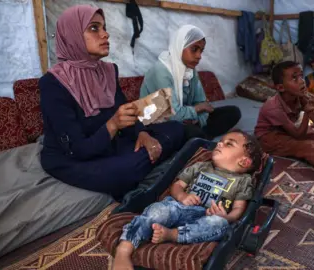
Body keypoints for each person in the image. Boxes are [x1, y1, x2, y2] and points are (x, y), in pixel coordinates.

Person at [38, 5, 185, 200]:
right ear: (72, 35)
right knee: (125, 171)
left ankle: (154, 155)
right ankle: (158, 160)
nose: (105, 34)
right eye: (94, 28)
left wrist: (142, 134)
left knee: (176, 128)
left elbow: (125, 110)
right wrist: (113, 124)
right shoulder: (53, 83)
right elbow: (77, 149)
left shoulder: (107, 71)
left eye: (104, 27)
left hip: (108, 144)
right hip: (71, 157)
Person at [112, 130, 263, 270]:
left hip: (207, 218)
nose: (219, 143)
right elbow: (177, 186)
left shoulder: (243, 181)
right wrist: (182, 196)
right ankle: (124, 248)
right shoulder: (200, 166)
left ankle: (172, 234)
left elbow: (239, 209)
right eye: (221, 141)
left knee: (220, 225)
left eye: (229, 144)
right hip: (180, 208)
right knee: (158, 209)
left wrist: (226, 217)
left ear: (244, 162)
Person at [140, 24, 241, 141]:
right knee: (192, 132)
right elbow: (173, 114)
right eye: (194, 49)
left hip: (186, 118)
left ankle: (198, 136)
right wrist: (196, 110)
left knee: (233, 112)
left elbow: (201, 101)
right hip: (159, 120)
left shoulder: (190, 69)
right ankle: (198, 136)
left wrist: (199, 119)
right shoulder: (161, 71)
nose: (199, 56)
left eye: (201, 51)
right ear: (180, 46)